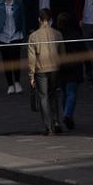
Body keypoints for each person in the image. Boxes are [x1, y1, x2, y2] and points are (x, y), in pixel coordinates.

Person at [26, 8, 64, 136]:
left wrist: (31, 75)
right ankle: (57, 121)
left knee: (43, 96)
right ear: (51, 20)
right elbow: (63, 54)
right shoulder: (58, 34)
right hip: (55, 68)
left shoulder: (33, 36)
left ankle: (48, 126)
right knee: (54, 94)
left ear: (39, 20)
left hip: (41, 68)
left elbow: (31, 58)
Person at [54, 11, 85, 131]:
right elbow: (83, 51)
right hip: (74, 66)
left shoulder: (56, 36)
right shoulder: (76, 35)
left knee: (64, 91)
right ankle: (68, 114)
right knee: (71, 91)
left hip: (61, 67)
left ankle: (66, 113)